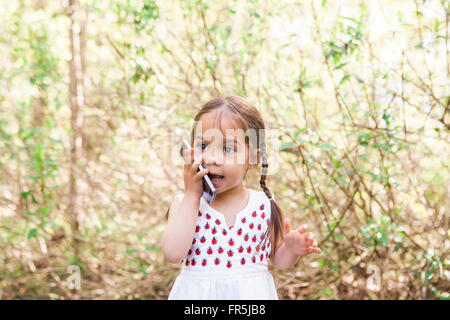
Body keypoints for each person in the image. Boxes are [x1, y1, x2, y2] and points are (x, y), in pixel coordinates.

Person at [161, 96, 321, 300]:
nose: (211, 158)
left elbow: (279, 261)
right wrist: (193, 194)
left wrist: (290, 248)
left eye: (227, 149)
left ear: (253, 158)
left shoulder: (265, 206)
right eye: (203, 146)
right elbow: (173, 253)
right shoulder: (185, 204)